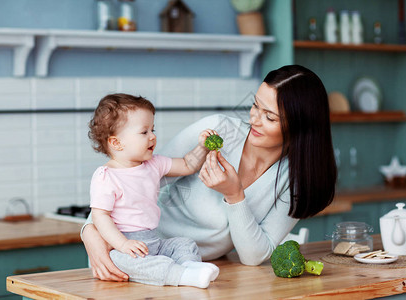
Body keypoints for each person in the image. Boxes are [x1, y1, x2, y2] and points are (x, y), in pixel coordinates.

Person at [82, 65, 337, 282]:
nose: (255, 119)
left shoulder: (296, 179)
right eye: (255, 106)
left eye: (269, 117)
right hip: (137, 253)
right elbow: (130, 175)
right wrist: (90, 232)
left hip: (197, 271)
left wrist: (235, 195)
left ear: (301, 126)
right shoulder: (217, 130)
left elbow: (253, 257)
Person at [87, 93, 219, 288]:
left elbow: (187, 165)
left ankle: (190, 268)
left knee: (184, 243)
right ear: (116, 143)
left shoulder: (153, 164)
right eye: (144, 132)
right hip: (124, 246)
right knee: (121, 261)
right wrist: (123, 244)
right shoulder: (106, 176)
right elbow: (100, 217)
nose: (153, 136)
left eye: (153, 129)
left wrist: (202, 147)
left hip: (154, 241)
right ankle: (182, 276)